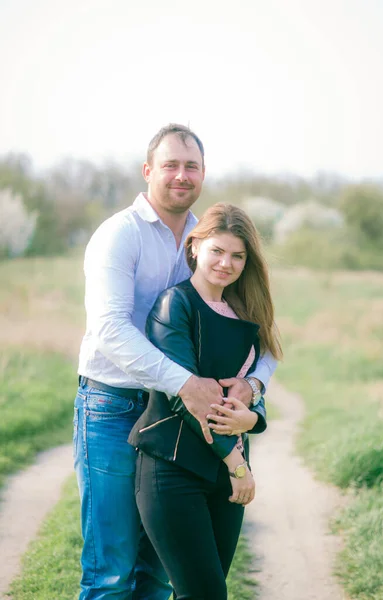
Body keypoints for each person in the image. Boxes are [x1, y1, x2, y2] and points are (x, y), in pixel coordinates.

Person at [74, 124, 277, 599]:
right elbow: (109, 329)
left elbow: (257, 329)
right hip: (113, 404)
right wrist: (185, 382)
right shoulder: (118, 235)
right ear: (148, 171)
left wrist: (255, 387)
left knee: (160, 571)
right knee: (112, 567)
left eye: (191, 166)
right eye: (170, 165)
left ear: (203, 174)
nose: (181, 175)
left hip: (178, 417)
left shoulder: (209, 238)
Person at [129, 203, 282, 600]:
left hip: (224, 474)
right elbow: (191, 399)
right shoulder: (173, 306)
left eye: (237, 255)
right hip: (173, 469)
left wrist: (254, 418)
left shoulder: (246, 311)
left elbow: (248, 389)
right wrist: (238, 465)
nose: (226, 263)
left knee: (210, 592)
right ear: (195, 247)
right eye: (217, 250)